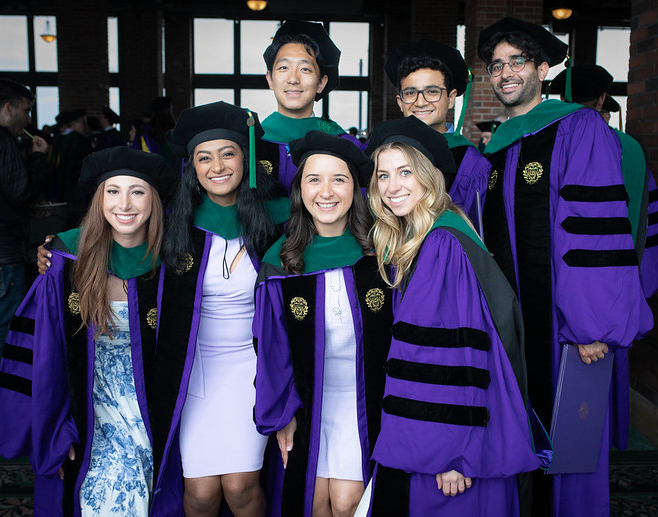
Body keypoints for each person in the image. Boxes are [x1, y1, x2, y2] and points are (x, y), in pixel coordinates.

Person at [477, 17, 653, 516]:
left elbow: (594, 231)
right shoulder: (497, 146)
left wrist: (590, 326)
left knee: (567, 454)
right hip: (510, 327)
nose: (506, 72)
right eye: (497, 65)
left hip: (564, 329)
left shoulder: (578, 128)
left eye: (517, 61)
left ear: (543, 67)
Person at [361, 116, 540, 516]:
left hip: (448, 448)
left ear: (429, 177)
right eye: (383, 175)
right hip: (457, 431)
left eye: (405, 172)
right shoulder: (435, 231)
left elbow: (450, 353)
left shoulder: (441, 244)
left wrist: (451, 454)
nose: (392, 187)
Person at [0, 146, 182, 515]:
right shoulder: (65, 261)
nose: (124, 204)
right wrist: (56, 423)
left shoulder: (175, 265)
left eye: (137, 191)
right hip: (88, 405)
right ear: (99, 199)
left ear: (154, 201)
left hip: (154, 405)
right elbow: (41, 351)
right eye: (113, 191)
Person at [160, 101, 289, 517]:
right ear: (193, 167)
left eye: (228, 153)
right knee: (199, 494)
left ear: (245, 159)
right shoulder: (173, 224)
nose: (217, 166)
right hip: (194, 370)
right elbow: (112, 229)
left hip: (253, 372)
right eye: (204, 157)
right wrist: (56, 248)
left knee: (240, 486)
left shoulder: (280, 220)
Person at [253, 130, 392, 517]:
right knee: (311, 503)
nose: (326, 191)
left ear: (356, 189)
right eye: (314, 179)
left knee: (349, 502)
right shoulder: (279, 263)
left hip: (366, 405)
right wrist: (282, 416)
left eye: (339, 179)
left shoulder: (383, 256)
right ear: (299, 190)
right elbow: (271, 350)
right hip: (309, 408)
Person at [549, 63, 658, 299]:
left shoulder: (547, 144)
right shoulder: (631, 150)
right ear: (601, 100)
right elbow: (649, 220)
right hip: (622, 284)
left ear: (561, 98)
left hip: (557, 280)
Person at [384, 40, 491, 230]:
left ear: (451, 99)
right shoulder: (384, 154)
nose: (420, 102)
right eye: (410, 93)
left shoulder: (471, 162)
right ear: (400, 102)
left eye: (432, 91)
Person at [257, 19, 362, 191]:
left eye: (305, 69)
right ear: (270, 79)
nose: (293, 79)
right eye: (283, 67)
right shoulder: (251, 144)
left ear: (321, 82)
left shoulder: (344, 145)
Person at [0, 78, 51, 354]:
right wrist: (39, 157)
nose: (28, 119)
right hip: (5, 256)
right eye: (26, 110)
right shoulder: (4, 139)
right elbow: (21, 191)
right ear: (9, 109)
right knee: (7, 336)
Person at [50, 108, 92, 228]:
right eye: (83, 123)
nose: (85, 126)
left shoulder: (57, 140)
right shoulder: (80, 141)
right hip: (78, 191)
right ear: (74, 124)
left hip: (60, 189)